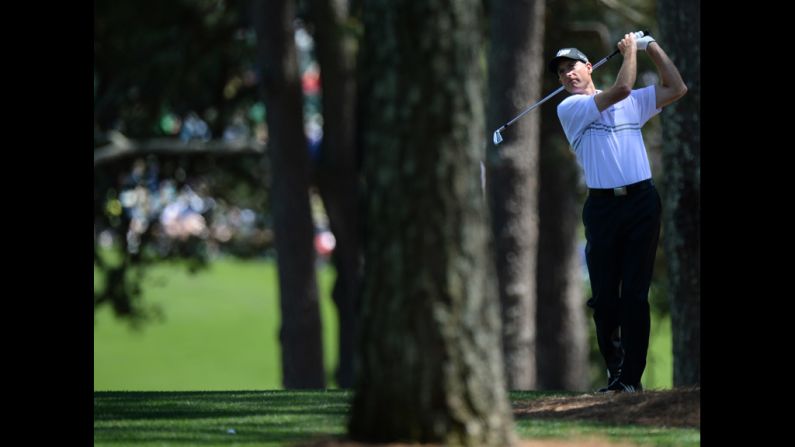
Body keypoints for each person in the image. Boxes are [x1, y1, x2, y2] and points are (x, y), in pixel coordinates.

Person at [549, 32, 687, 392]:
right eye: (560, 72)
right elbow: (622, 90)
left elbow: (677, 87)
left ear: (589, 67)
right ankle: (615, 372)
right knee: (607, 297)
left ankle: (630, 381)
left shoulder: (631, 103)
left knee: (635, 296)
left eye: (572, 67)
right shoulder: (569, 108)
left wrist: (652, 45)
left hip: (642, 203)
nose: (566, 75)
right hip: (603, 208)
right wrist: (629, 53)